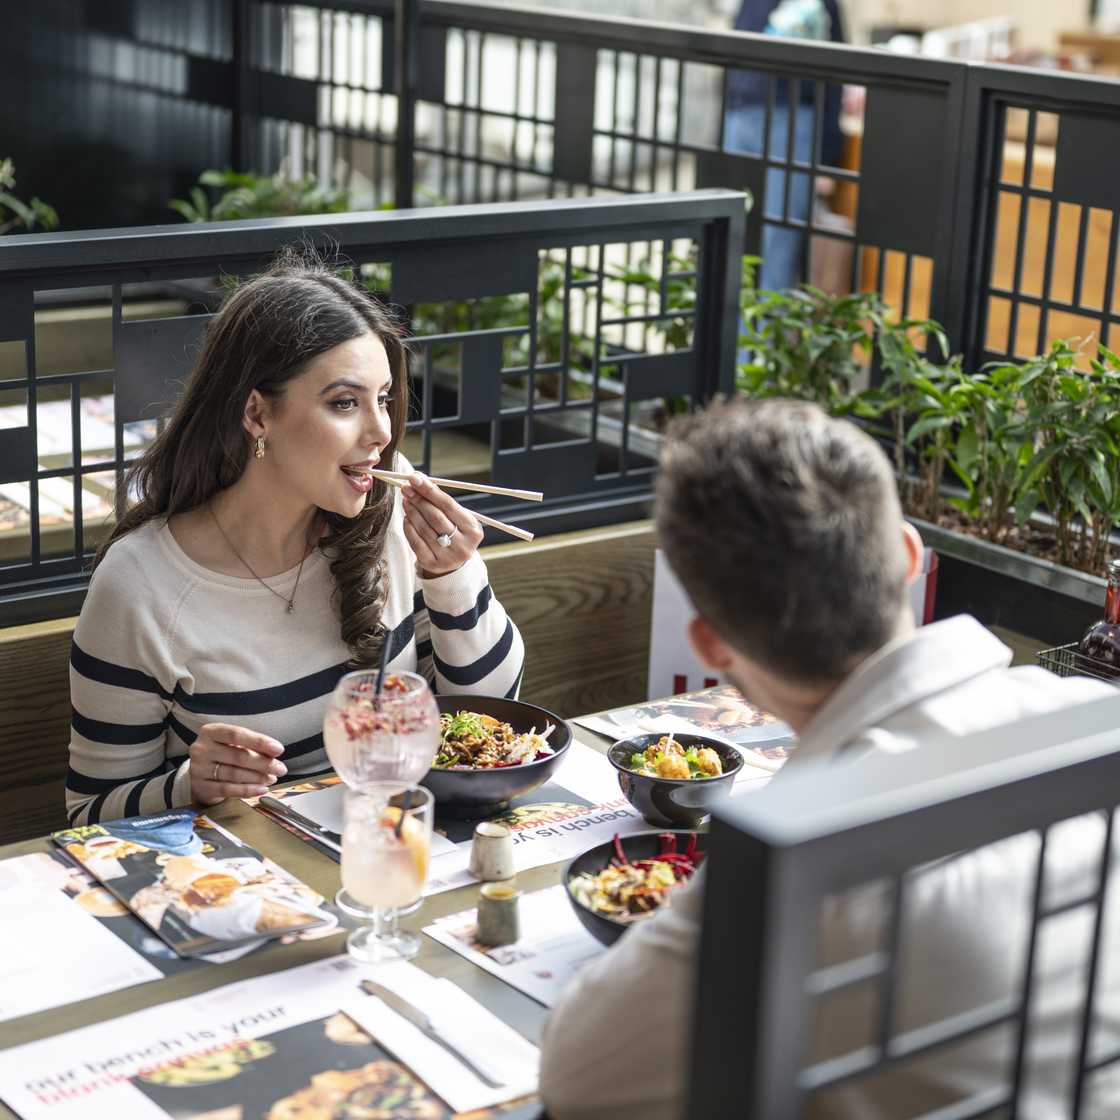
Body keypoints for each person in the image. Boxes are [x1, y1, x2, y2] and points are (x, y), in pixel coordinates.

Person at [539, 398, 1118, 1118]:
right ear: (909, 557)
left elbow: (576, 1077)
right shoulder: (1086, 718)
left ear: (712, 646)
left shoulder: (794, 863)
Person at [66, 250, 524, 825]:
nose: (381, 431)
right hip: (251, 871)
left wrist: (453, 578)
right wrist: (188, 786)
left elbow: (495, 720)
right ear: (257, 415)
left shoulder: (389, 509)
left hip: (393, 839)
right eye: (344, 403)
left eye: (383, 398)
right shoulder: (139, 585)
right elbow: (87, 814)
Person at [725, 0, 846, 291]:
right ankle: (733, 316)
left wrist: (827, 155)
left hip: (791, 117)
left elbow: (836, 70)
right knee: (734, 228)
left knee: (778, 235)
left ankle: (767, 319)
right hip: (744, 114)